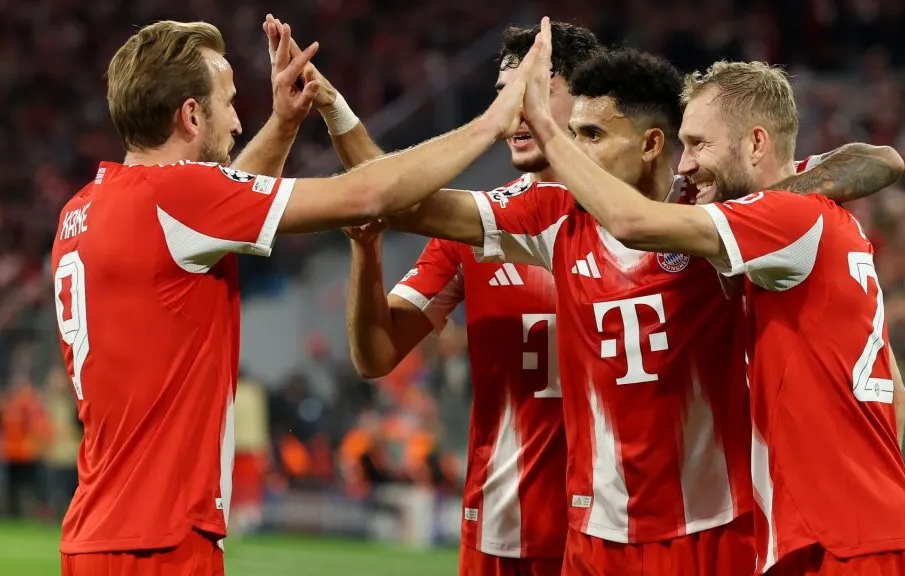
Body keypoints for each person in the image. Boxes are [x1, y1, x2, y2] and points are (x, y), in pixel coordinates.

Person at [375, 22, 901, 574]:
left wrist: (768, 204)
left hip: (719, 521)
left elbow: (880, 160)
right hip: (590, 528)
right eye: (573, 133)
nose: (688, 161)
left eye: (591, 135)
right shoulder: (551, 217)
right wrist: (339, 121)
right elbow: (396, 203)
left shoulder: (711, 214)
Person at [51, 17, 539, 576]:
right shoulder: (177, 198)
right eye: (230, 103)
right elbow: (367, 194)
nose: (237, 121)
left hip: (99, 531)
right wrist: (491, 122)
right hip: (156, 541)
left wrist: (284, 125)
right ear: (190, 115)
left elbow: (218, 211)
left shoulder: (84, 209)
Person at [515, 22, 905, 576]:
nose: (685, 165)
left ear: (756, 142)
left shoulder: (787, 219)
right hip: (852, 531)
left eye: (698, 144)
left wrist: (546, 132)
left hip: (843, 543)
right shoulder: (804, 220)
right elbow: (895, 396)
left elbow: (629, 221)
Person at [289, 19, 605, 575]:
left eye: (530, 92)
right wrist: (367, 254)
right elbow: (376, 354)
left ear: (587, 102)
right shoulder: (475, 231)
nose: (513, 113)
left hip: (619, 524)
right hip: (505, 528)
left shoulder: (645, 222)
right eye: (502, 95)